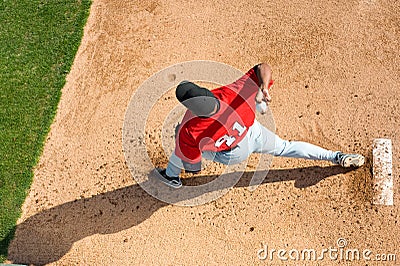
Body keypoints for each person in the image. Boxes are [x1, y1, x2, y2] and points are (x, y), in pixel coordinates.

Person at [156, 63, 365, 188]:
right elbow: (263, 67)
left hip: (232, 155)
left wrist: (195, 155)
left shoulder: (190, 128)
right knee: (285, 146)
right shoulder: (230, 92)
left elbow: (194, 167)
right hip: (253, 132)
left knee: (180, 140)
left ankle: (171, 177)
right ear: (208, 93)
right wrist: (263, 87)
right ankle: (335, 157)